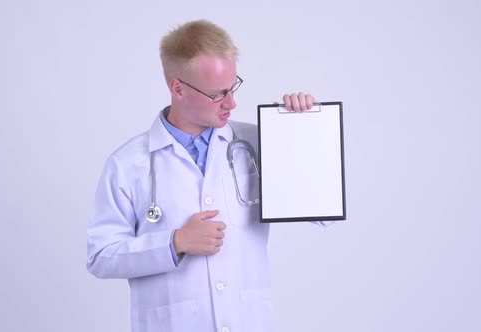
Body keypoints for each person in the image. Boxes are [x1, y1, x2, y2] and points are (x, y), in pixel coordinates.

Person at [87, 19, 326, 332]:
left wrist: (301, 133)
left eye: (233, 87)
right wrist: (175, 243)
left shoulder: (259, 143)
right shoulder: (127, 164)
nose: (232, 103)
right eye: (218, 94)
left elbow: (323, 213)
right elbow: (101, 257)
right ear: (178, 88)